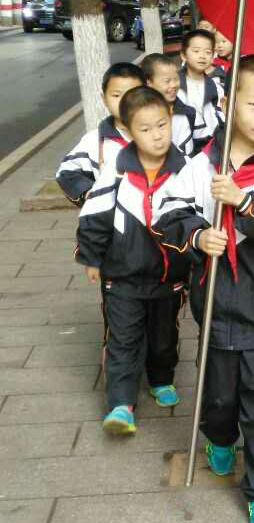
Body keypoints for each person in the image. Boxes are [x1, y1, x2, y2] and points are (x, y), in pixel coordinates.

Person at [155, 55, 254, 523]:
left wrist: (244, 202)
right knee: (219, 399)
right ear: (228, 103)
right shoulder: (203, 163)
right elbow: (167, 212)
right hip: (217, 311)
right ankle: (218, 439)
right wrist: (199, 236)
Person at [76, 87, 192, 435]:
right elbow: (94, 215)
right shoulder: (116, 168)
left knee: (163, 337)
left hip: (168, 276)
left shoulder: (185, 167)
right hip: (122, 276)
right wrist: (92, 257)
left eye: (161, 125)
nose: (156, 135)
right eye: (145, 129)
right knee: (123, 338)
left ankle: (161, 378)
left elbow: (196, 216)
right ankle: (121, 403)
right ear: (127, 130)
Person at [56, 62, 145, 205]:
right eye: (116, 95)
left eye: (133, 94)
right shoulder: (93, 141)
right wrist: (87, 192)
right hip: (110, 223)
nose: (124, 102)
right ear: (104, 99)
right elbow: (67, 172)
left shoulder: (159, 135)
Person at [141, 53, 197, 157]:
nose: (174, 85)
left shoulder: (188, 113)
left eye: (176, 79)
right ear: (149, 84)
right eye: (167, 81)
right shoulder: (138, 115)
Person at [178, 29, 221, 147]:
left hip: (209, 144)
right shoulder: (174, 85)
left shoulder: (215, 86)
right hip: (182, 143)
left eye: (207, 52)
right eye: (196, 51)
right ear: (183, 55)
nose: (202, 56)